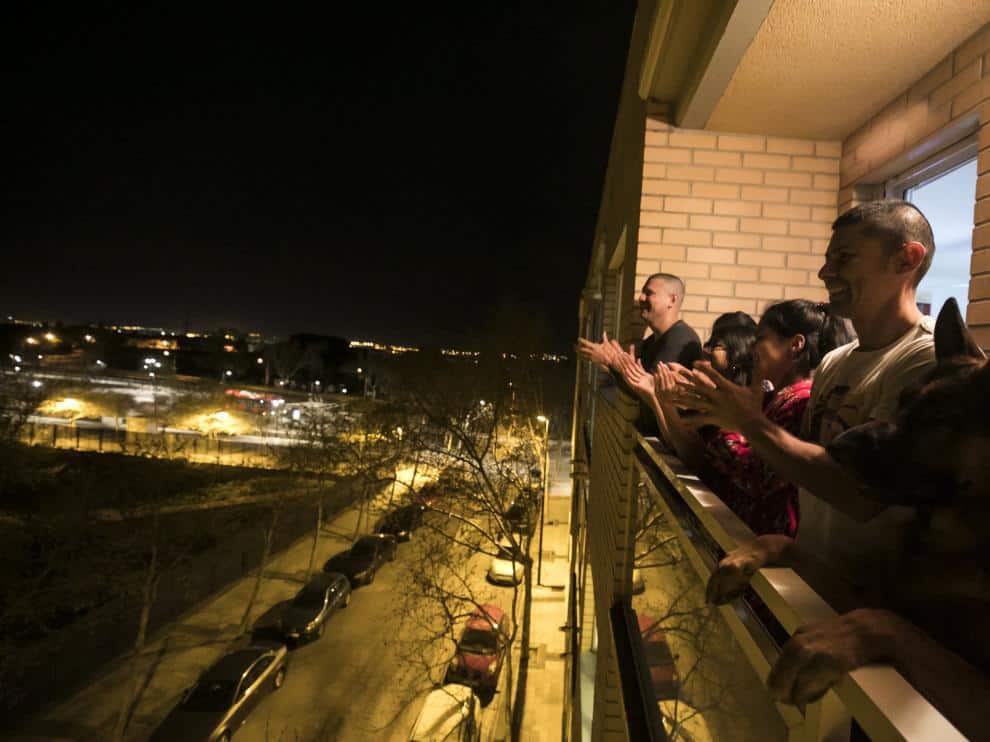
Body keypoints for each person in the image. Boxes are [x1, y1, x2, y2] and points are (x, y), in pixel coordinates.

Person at [617, 301, 852, 537]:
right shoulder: (775, 397)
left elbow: (757, 476)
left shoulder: (800, 401)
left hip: (764, 542)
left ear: (795, 345)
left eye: (761, 338)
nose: (753, 348)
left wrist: (732, 419)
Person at [577, 273, 702, 433]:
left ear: (672, 300)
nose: (641, 298)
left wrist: (613, 362)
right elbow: (636, 392)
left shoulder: (680, 339)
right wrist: (612, 365)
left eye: (649, 293)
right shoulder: (651, 342)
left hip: (670, 446)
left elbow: (651, 390)